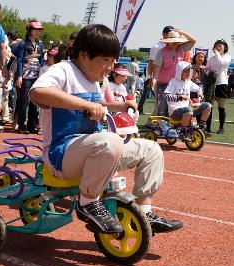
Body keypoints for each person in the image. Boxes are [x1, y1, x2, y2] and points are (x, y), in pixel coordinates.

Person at [30, 24, 182, 234]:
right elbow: (37, 92)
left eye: (113, 61)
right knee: (110, 141)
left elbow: (98, 103)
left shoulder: (94, 79)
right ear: (84, 55)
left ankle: (145, 210)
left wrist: (119, 106)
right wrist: (84, 105)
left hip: (96, 149)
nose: (110, 67)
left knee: (152, 150)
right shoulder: (63, 70)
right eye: (106, 60)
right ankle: (88, 202)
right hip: (62, 154)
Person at [151, 29, 196, 116]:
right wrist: (154, 79)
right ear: (168, 42)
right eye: (173, 41)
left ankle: (173, 126)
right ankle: (160, 127)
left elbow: (193, 41)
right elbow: (157, 68)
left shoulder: (181, 48)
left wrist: (182, 32)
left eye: (177, 41)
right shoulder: (161, 52)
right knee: (162, 108)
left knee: (175, 106)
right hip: (163, 84)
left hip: (176, 83)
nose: (176, 43)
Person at [164, 61, 212, 133]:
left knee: (208, 106)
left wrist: (200, 94)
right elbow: (166, 95)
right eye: (185, 71)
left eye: (189, 71)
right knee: (188, 110)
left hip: (188, 110)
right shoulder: (173, 81)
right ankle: (183, 131)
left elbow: (198, 88)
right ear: (180, 71)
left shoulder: (188, 82)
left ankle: (200, 128)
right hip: (175, 112)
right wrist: (179, 97)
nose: (188, 73)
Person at [15, 21, 44, 134]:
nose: (38, 32)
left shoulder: (40, 44)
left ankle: (32, 125)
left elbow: (41, 60)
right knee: (24, 101)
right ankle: (22, 125)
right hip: (26, 76)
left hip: (36, 76)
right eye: (36, 29)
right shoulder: (23, 43)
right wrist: (19, 76)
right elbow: (20, 60)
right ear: (29, 30)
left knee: (35, 101)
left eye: (39, 30)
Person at [206, 39, 231, 134]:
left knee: (221, 107)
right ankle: (208, 127)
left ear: (225, 47)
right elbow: (207, 69)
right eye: (217, 45)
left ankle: (221, 128)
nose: (218, 47)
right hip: (212, 85)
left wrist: (217, 54)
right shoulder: (211, 59)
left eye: (221, 45)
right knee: (209, 107)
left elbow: (221, 63)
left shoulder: (227, 57)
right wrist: (209, 72)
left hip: (222, 84)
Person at [191, 50, 216, 134]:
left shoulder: (205, 68)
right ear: (195, 58)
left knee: (203, 108)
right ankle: (195, 127)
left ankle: (201, 128)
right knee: (194, 109)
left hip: (201, 91)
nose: (200, 58)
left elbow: (210, 79)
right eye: (198, 57)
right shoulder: (190, 67)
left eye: (202, 57)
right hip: (191, 92)